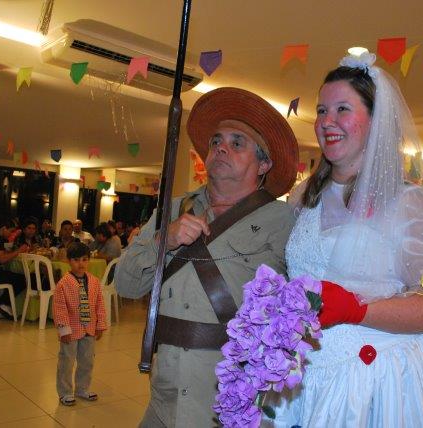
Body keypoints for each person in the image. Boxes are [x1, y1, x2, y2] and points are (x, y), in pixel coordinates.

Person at [268, 51, 423, 427]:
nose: (327, 121)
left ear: (376, 120)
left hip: (379, 379)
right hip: (309, 374)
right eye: (321, 110)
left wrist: (356, 309)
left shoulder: (414, 206)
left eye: (342, 109)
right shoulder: (303, 197)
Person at [115, 86, 298, 427]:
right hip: (166, 398)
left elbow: (304, 311)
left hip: (234, 404)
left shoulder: (285, 221)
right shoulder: (172, 209)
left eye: (237, 143)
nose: (221, 148)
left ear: (264, 164)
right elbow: (124, 285)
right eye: (216, 141)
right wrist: (164, 240)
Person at [53, 242, 107, 406]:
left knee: (87, 361)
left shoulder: (94, 282)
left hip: (89, 329)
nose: (81, 263)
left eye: (84, 259)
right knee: (67, 361)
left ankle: (82, 388)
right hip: (71, 330)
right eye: (76, 260)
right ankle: (65, 392)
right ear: (68, 261)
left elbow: (99, 304)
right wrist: (64, 330)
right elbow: (59, 308)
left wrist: (100, 325)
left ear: (88, 260)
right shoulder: (63, 284)